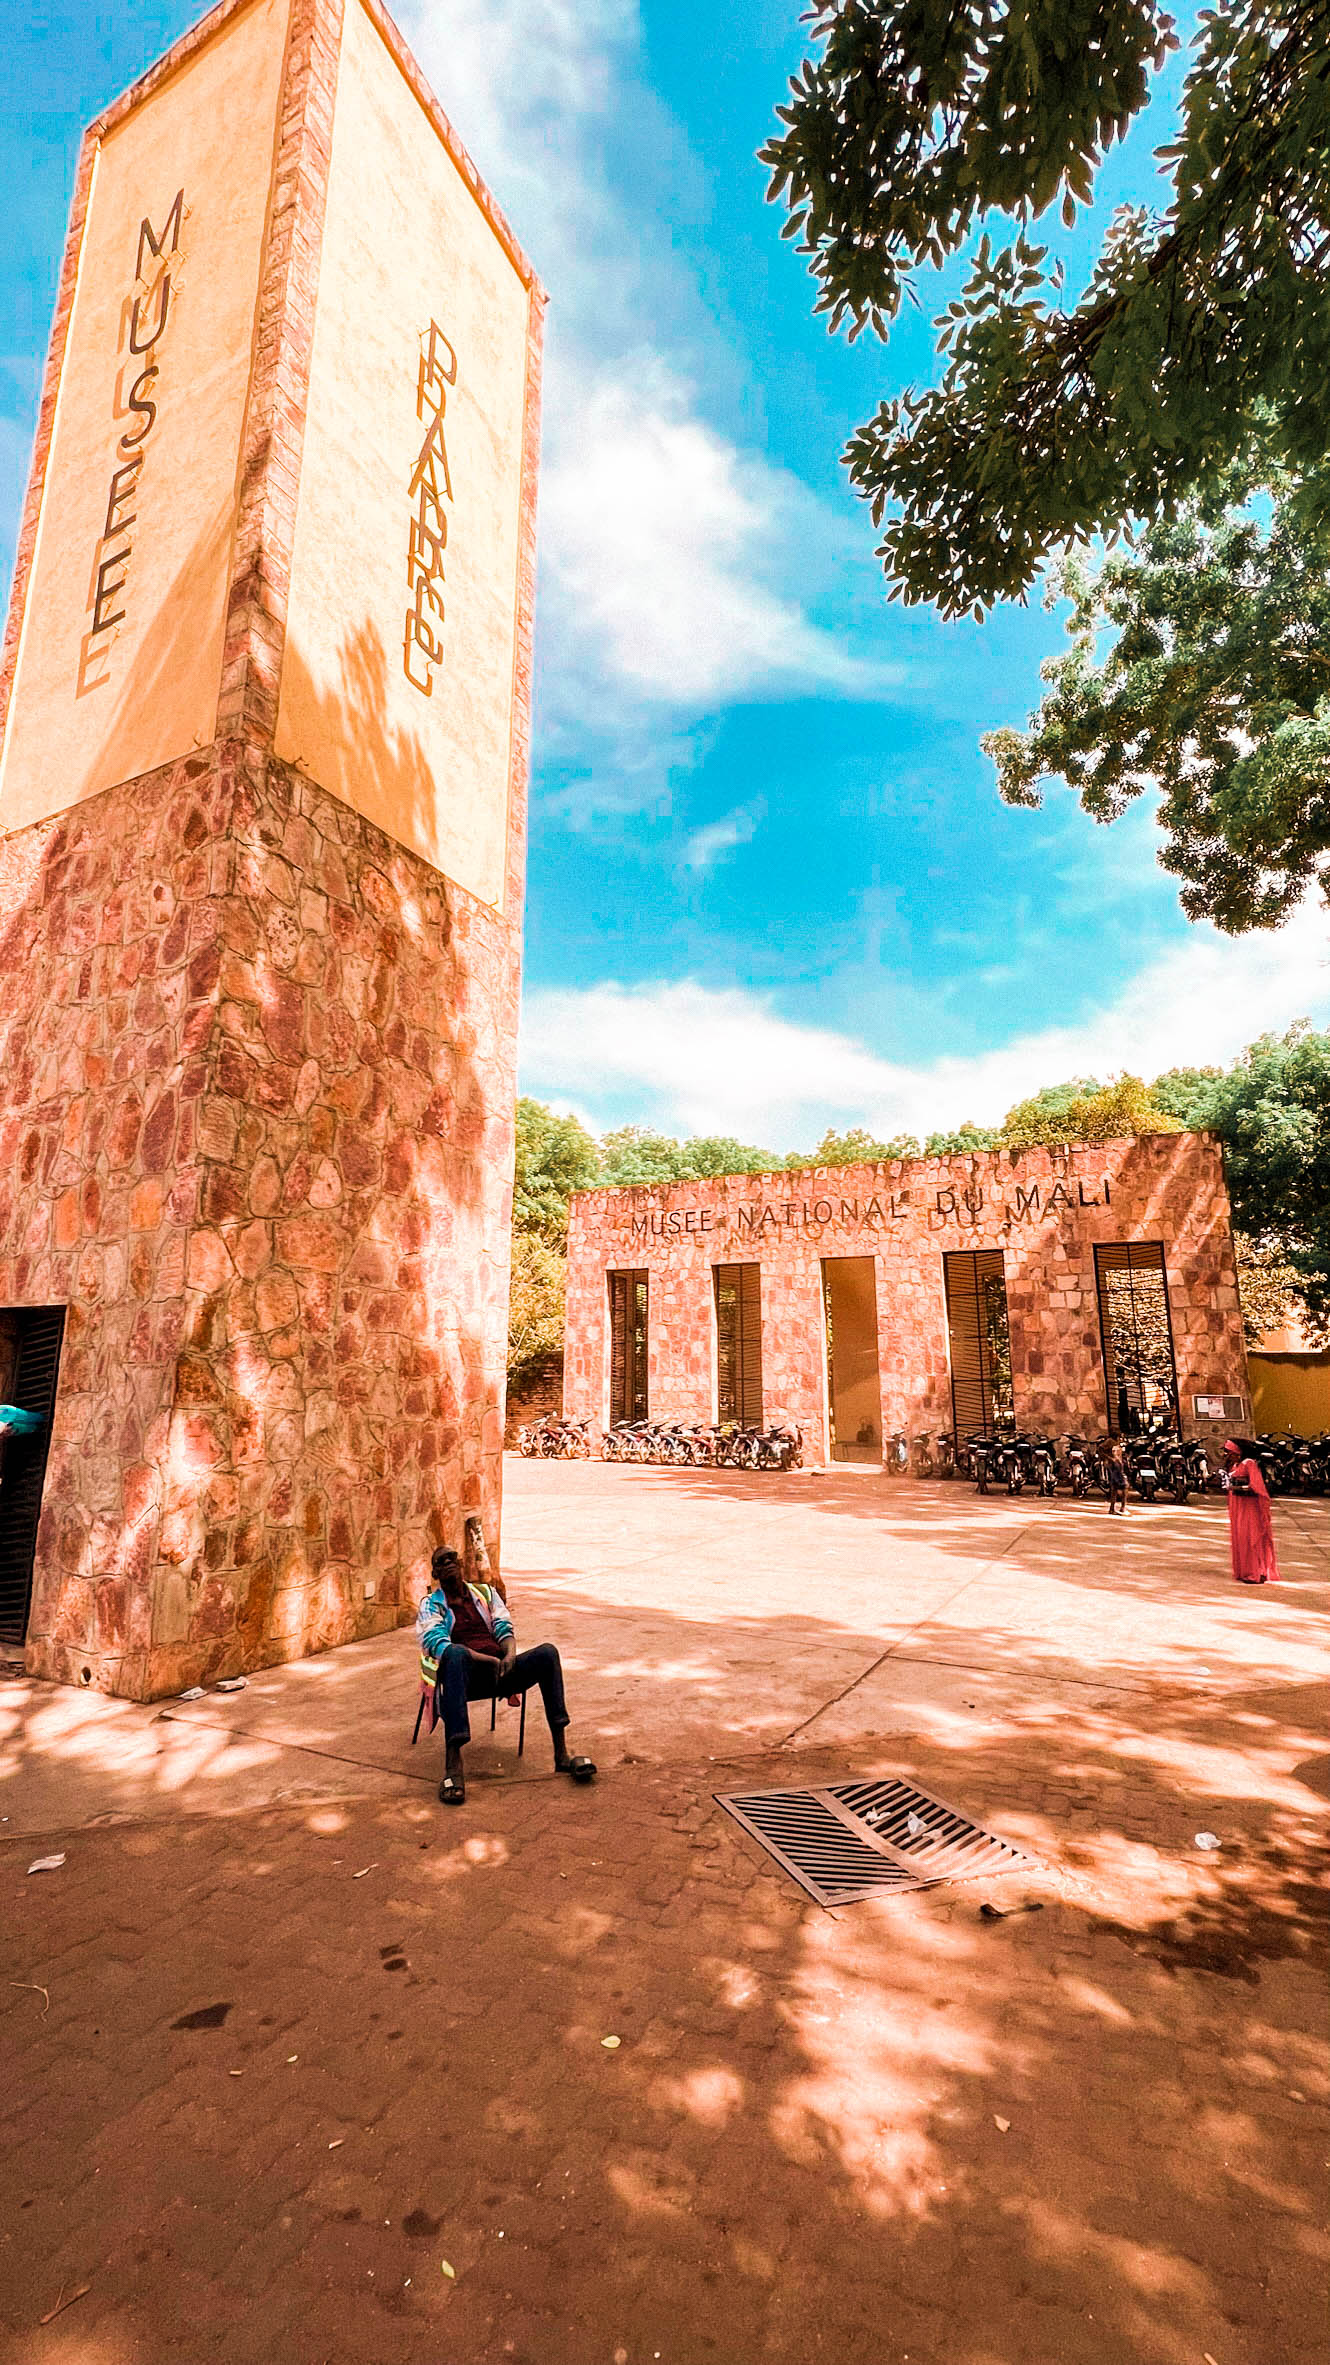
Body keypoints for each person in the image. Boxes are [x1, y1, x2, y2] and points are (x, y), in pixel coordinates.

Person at [415, 1545, 595, 1804]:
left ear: (461, 1563)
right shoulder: (431, 1605)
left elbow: (503, 1625)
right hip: (465, 1679)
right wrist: (486, 1660)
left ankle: (562, 1755)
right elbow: (438, 1644)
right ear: (435, 1572)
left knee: (547, 1653)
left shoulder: (485, 1593)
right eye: (441, 1562)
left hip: (501, 1671)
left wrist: (509, 1655)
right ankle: (453, 1767)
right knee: (454, 1655)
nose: (448, 1564)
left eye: (452, 1558)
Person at [1223, 1440, 1280, 1585]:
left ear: (1238, 1452)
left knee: (1250, 1536)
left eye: (1229, 1452)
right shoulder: (1235, 1465)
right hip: (1238, 1506)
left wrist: (1237, 1488)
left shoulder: (1249, 1463)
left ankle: (1254, 1571)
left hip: (1249, 1507)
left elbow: (1256, 1485)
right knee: (1241, 1537)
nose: (1227, 1455)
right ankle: (1245, 1571)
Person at [1105, 1439, 1128, 1515]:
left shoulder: (1118, 1457)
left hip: (1116, 1475)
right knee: (1123, 1490)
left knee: (1115, 1492)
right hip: (1117, 1475)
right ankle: (1122, 1508)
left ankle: (1113, 1509)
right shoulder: (1114, 1459)